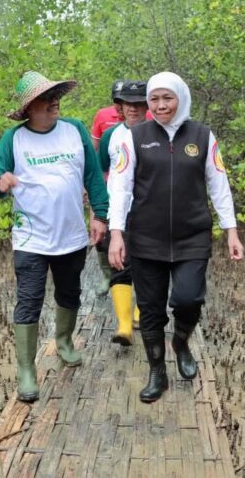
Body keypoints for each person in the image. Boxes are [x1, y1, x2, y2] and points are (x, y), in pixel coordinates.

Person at [107, 71, 244, 403]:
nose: (160, 105)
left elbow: (218, 184)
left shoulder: (203, 136)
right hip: (145, 238)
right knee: (151, 310)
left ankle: (181, 342)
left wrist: (231, 232)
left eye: (167, 98)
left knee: (188, 298)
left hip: (191, 237)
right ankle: (157, 372)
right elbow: (121, 188)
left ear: (181, 97)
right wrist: (116, 233)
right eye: (154, 99)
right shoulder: (134, 137)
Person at [0, 71, 109, 403]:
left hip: (71, 235)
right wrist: (1, 184)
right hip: (31, 238)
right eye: (45, 98)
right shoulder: (14, 139)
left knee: (70, 291)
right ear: (29, 108)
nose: (54, 102)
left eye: (56, 95)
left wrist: (100, 214)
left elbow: (93, 175)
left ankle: (65, 342)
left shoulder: (76, 131)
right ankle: (26, 370)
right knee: (29, 300)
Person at [98, 80, 148, 346]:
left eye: (140, 103)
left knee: (148, 263)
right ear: (121, 106)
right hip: (119, 211)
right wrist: (99, 212)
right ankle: (124, 325)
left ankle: (141, 311)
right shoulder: (111, 136)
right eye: (129, 103)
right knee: (119, 263)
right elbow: (102, 170)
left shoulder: (158, 133)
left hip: (151, 210)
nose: (134, 109)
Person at [90, 80, 127, 296]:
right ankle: (107, 275)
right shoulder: (103, 116)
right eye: (118, 101)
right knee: (101, 236)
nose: (123, 106)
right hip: (106, 185)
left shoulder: (145, 116)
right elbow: (94, 153)